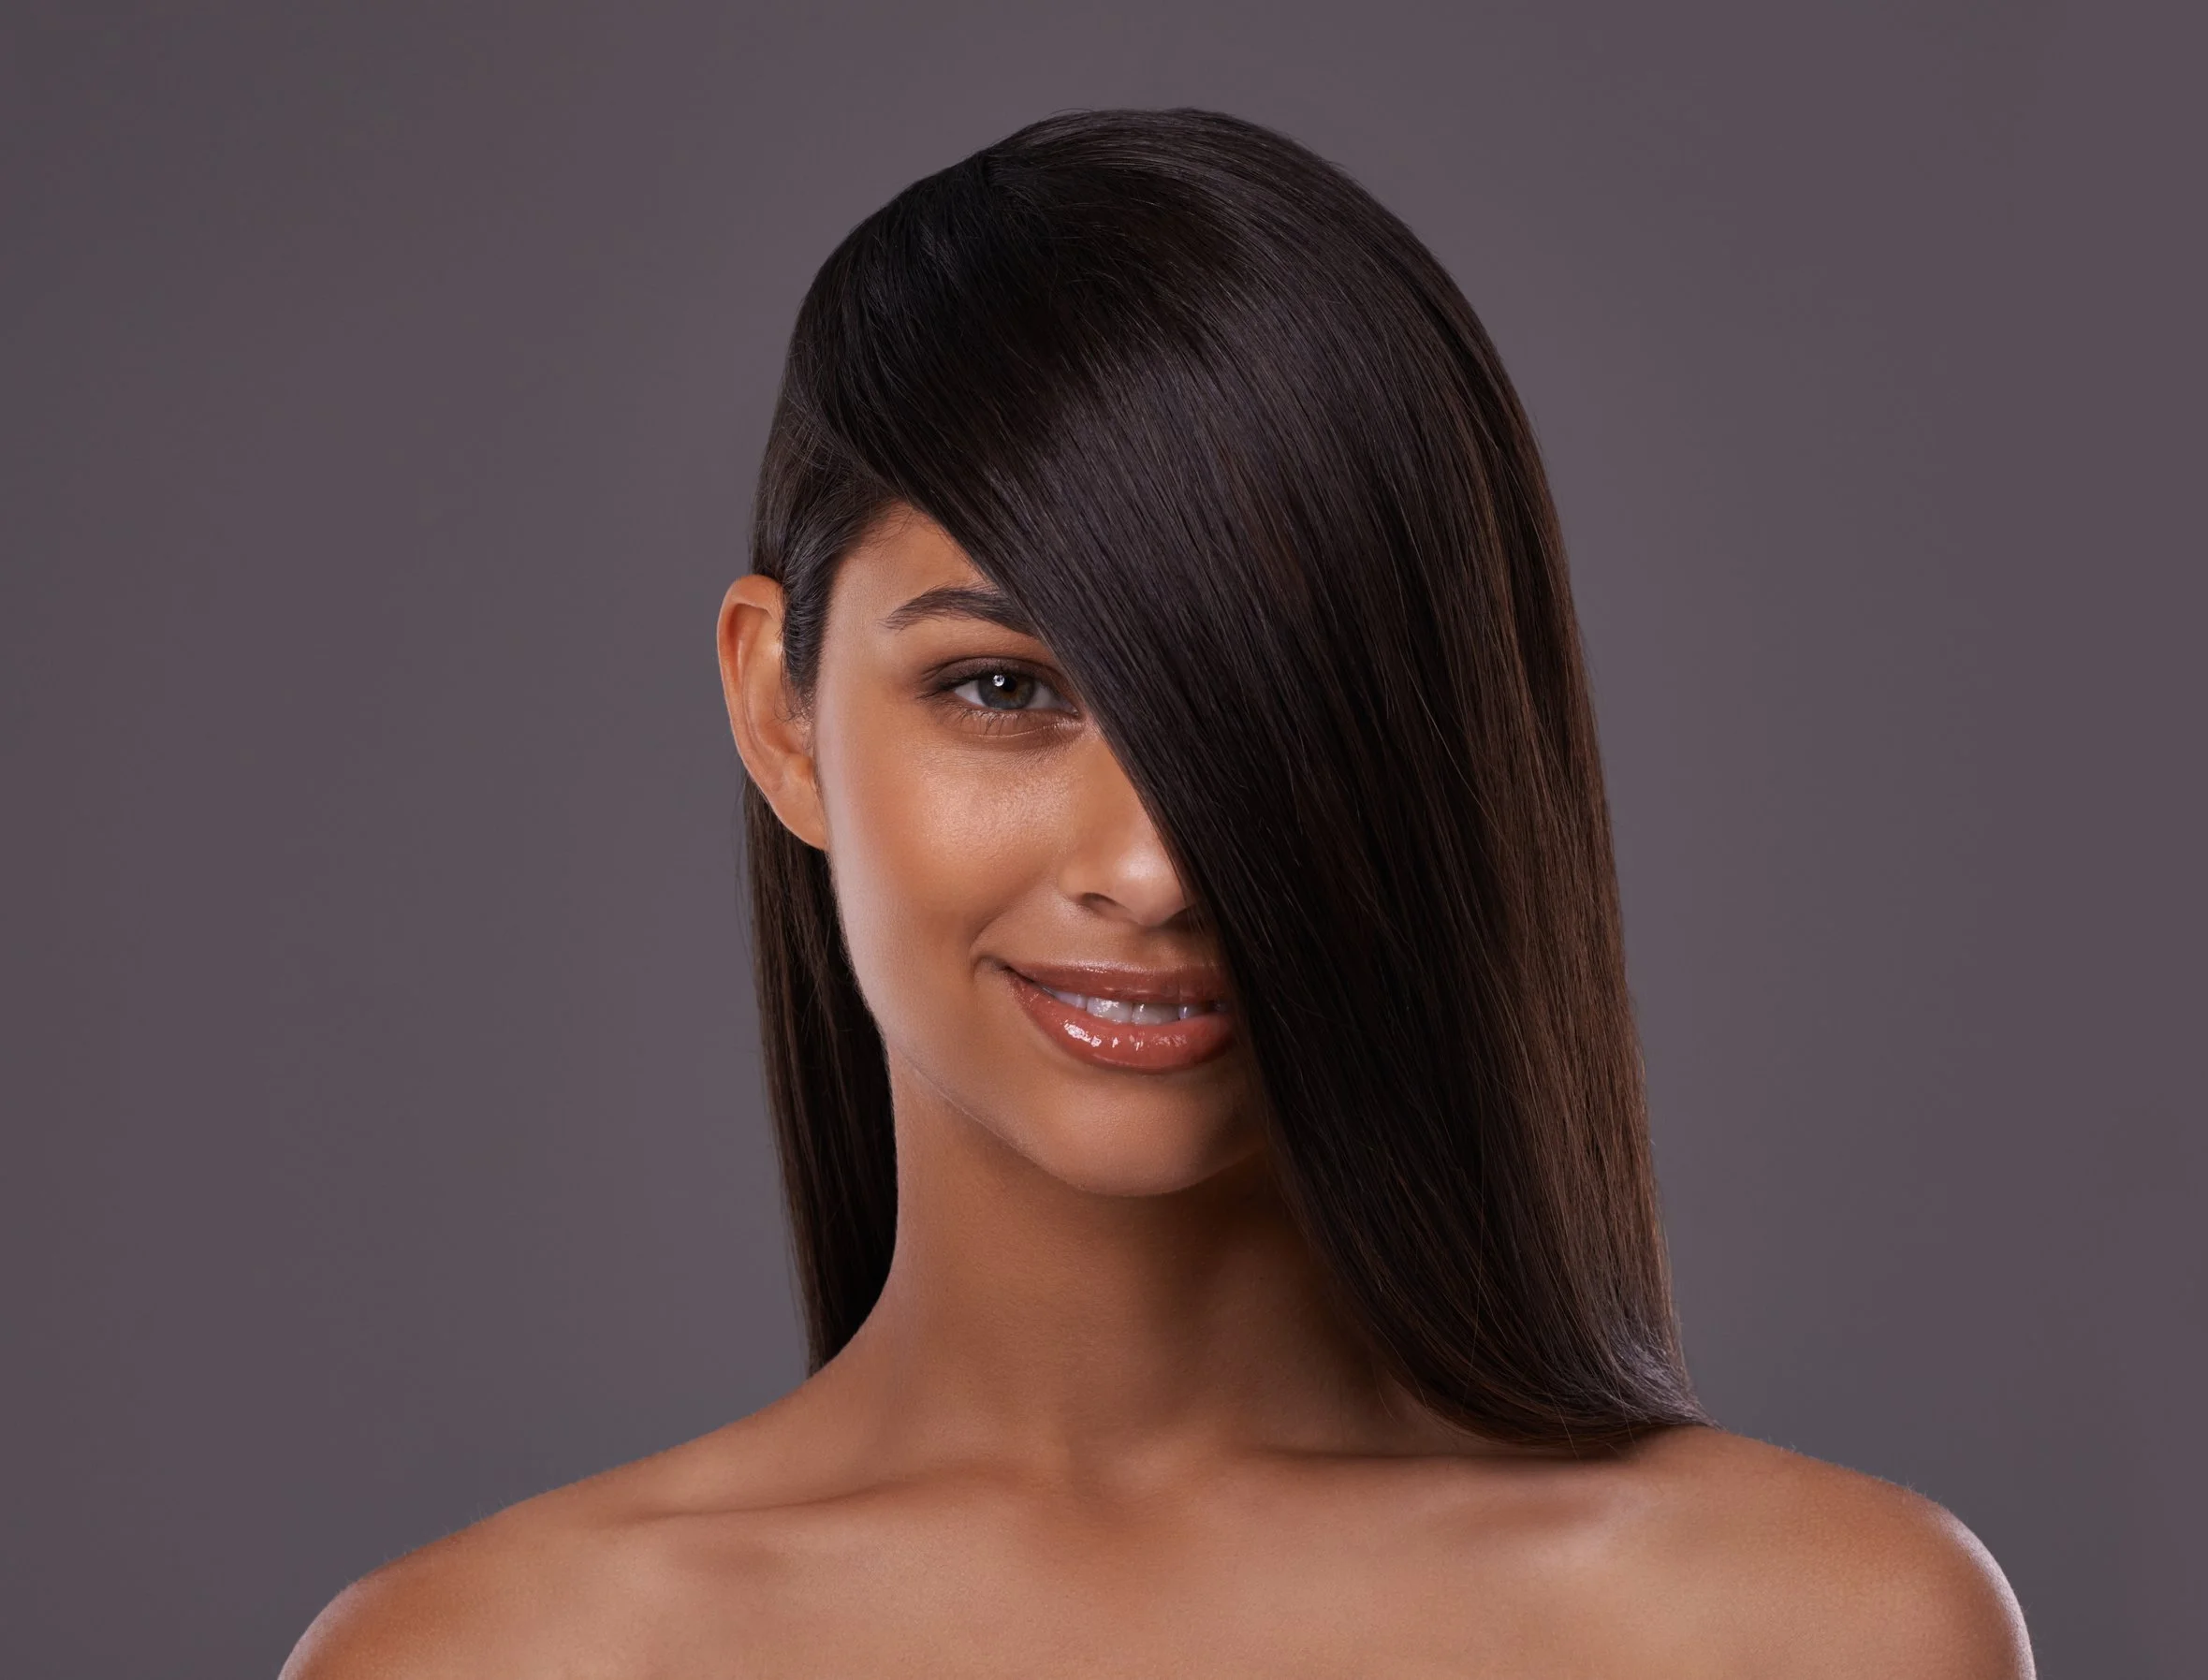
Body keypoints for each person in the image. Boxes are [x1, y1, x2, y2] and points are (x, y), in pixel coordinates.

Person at [285, 108, 2033, 1677]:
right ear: (779, 710)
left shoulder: (1817, 1633)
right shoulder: (480, 1663)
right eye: (1002, 688)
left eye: (1272, 700)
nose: (1154, 866)